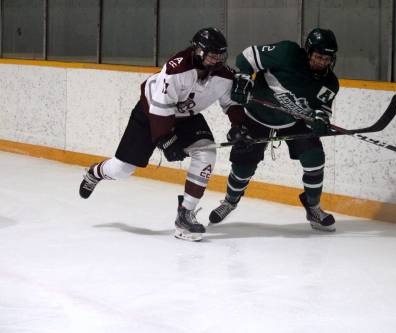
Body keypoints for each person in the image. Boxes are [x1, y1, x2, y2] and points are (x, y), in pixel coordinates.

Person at [79, 27, 244, 242]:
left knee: (207, 153)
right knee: (122, 169)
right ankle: (95, 173)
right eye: (212, 56)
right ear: (198, 51)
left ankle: (185, 214)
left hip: (186, 116)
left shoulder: (223, 75)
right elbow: (160, 107)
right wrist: (166, 140)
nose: (217, 61)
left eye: (220, 56)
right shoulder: (177, 69)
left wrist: (240, 127)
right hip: (151, 113)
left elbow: (230, 103)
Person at [209, 28, 339, 232]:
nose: (322, 62)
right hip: (256, 117)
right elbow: (247, 57)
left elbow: (322, 109)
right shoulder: (287, 53)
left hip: (292, 121)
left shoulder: (330, 83)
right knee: (243, 167)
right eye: (318, 56)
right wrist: (244, 77)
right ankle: (229, 202)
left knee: (315, 158)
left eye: (327, 58)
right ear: (308, 51)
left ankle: (313, 208)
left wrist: (321, 118)